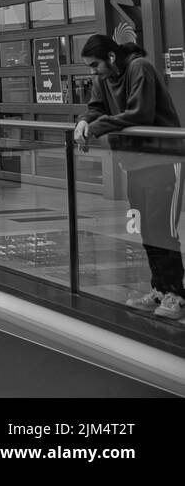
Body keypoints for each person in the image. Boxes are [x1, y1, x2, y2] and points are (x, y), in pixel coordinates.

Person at [74, 36, 183, 320]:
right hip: (134, 164)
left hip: (163, 161)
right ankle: (160, 289)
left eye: (95, 64)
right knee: (146, 229)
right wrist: (85, 120)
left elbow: (141, 113)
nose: (92, 72)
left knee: (163, 229)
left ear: (111, 57)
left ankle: (178, 295)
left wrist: (98, 127)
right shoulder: (103, 78)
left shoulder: (140, 68)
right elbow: (97, 107)